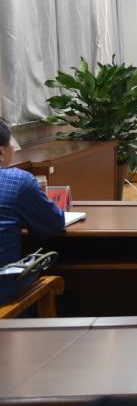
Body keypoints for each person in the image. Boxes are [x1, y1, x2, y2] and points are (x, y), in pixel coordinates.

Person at [0, 118, 65, 304]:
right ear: (1, 152)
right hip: (4, 290)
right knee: (68, 300)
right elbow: (53, 224)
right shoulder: (17, 181)